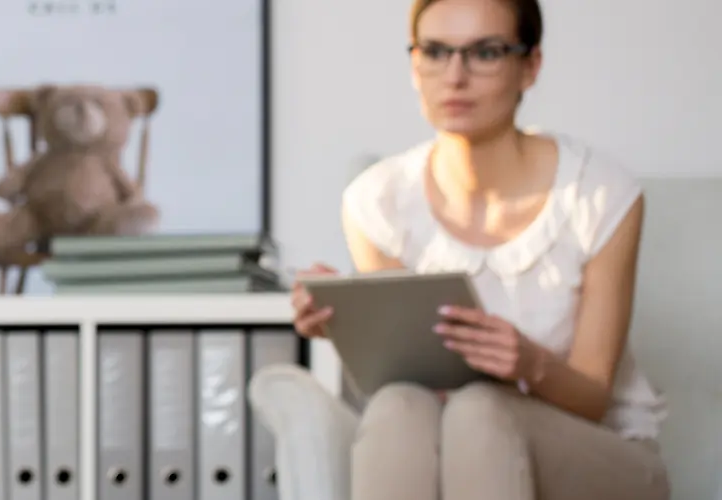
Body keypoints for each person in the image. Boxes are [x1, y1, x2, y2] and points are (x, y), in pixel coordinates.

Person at [286, 0, 671, 498]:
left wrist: (530, 364)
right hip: (457, 437)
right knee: (398, 405)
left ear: (529, 67)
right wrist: (345, 323)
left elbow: (594, 400)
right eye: (436, 52)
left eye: (485, 53)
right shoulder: (376, 200)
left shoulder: (600, 194)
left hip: (603, 454)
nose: (455, 75)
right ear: (414, 65)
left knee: (479, 410)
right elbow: (410, 382)